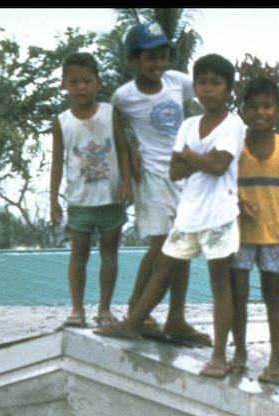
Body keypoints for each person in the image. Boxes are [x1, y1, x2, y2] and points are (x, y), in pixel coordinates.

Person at [95, 54, 246, 379]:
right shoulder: (189, 125)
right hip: (189, 213)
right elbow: (176, 172)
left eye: (215, 83)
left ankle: (219, 354)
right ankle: (133, 324)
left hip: (219, 214)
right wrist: (197, 158)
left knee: (220, 283)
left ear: (228, 89)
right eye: (202, 83)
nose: (207, 90)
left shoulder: (233, 125)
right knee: (163, 268)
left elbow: (220, 166)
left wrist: (191, 155)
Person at [111, 22, 209, 344]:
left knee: (183, 247)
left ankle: (176, 317)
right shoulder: (123, 96)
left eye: (162, 57)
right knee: (161, 245)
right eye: (150, 58)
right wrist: (131, 149)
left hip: (182, 174)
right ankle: (135, 309)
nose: (158, 64)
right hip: (151, 177)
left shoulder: (177, 82)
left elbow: (210, 95)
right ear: (133, 60)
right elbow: (113, 130)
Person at [49, 51, 133, 329]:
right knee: (78, 254)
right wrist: (53, 200)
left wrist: (126, 184)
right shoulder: (62, 121)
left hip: (110, 199)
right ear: (64, 85)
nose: (81, 87)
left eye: (87, 81)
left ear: (98, 83)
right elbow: (57, 162)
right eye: (74, 82)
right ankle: (76, 309)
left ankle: (105, 309)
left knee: (110, 254)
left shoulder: (111, 114)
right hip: (79, 200)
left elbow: (123, 148)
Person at [229, 77, 279, 384]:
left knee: (273, 297)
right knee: (238, 296)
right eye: (253, 107)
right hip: (240, 235)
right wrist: (239, 203)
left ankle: (274, 359)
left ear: (278, 110)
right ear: (243, 112)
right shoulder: (235, 147)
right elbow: (225, 185)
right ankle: (239, 352)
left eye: (267, 106)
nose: (260, 112)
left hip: (274, 236)